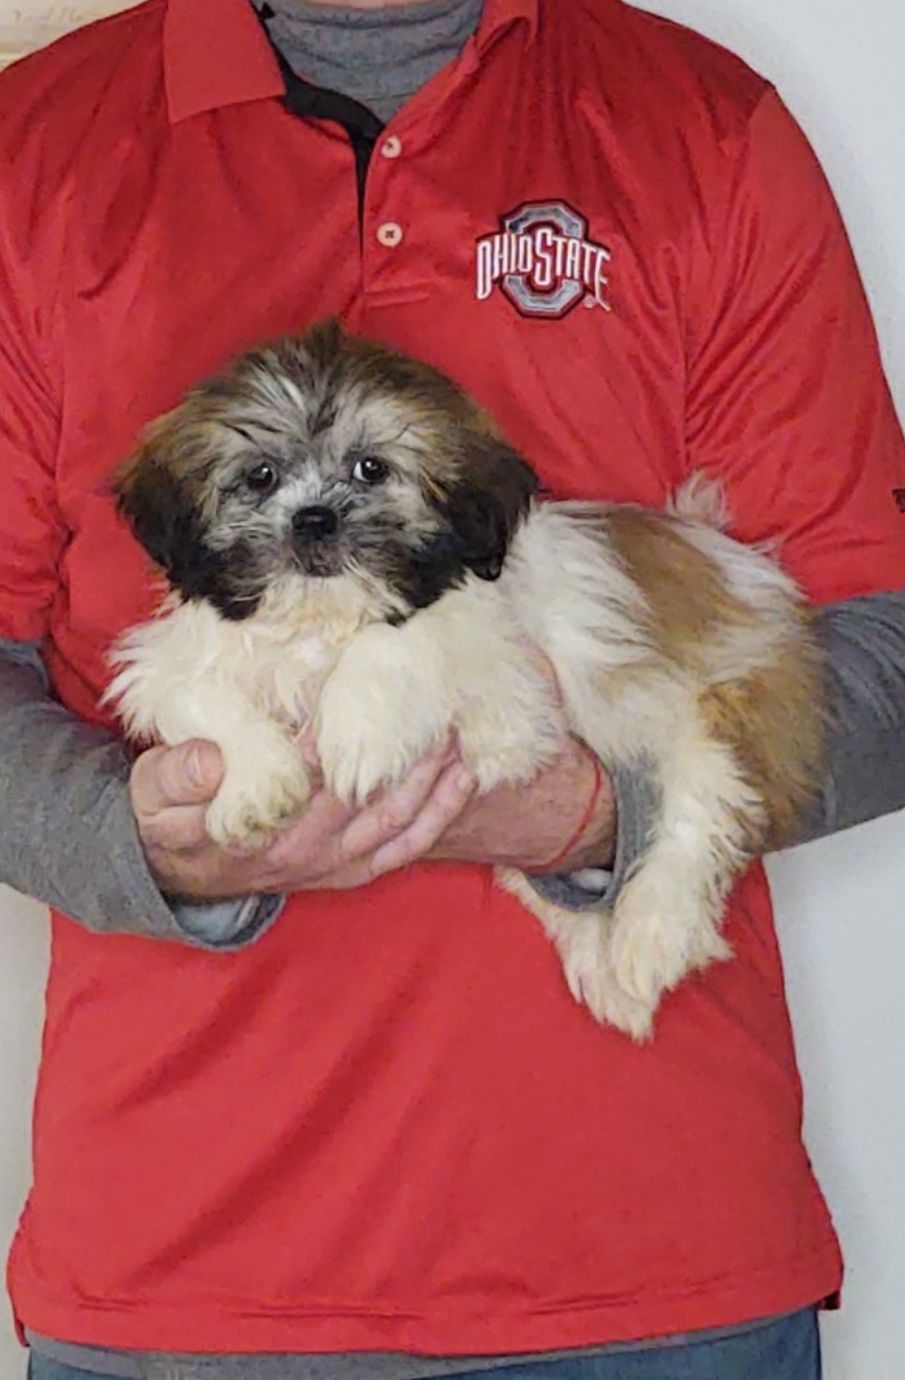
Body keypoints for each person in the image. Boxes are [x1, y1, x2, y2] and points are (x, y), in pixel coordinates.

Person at [1, 0, 903, 1377]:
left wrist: (601, 811)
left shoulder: (701, 122)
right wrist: (139, 842)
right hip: (180, 1266)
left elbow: (883, 642)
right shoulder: (34, 148)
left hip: (647, 1268)